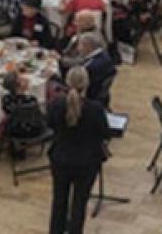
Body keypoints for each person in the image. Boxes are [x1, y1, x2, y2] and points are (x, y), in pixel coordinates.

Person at [47, 66, 111, 234]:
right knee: (79, 204)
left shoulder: (56, 105)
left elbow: (50, 125)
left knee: (59, 202)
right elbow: (105, 132)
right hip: (87, 162)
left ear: (66, 83)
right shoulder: (95, 109)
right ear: (87, 84)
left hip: (61, 158)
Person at [1, 71, 44, 140]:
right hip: (31, 131)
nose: (26, 79)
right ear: (20, 84)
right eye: (22, 78)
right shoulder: (31, 99)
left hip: (13, 130)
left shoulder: (6, 99)